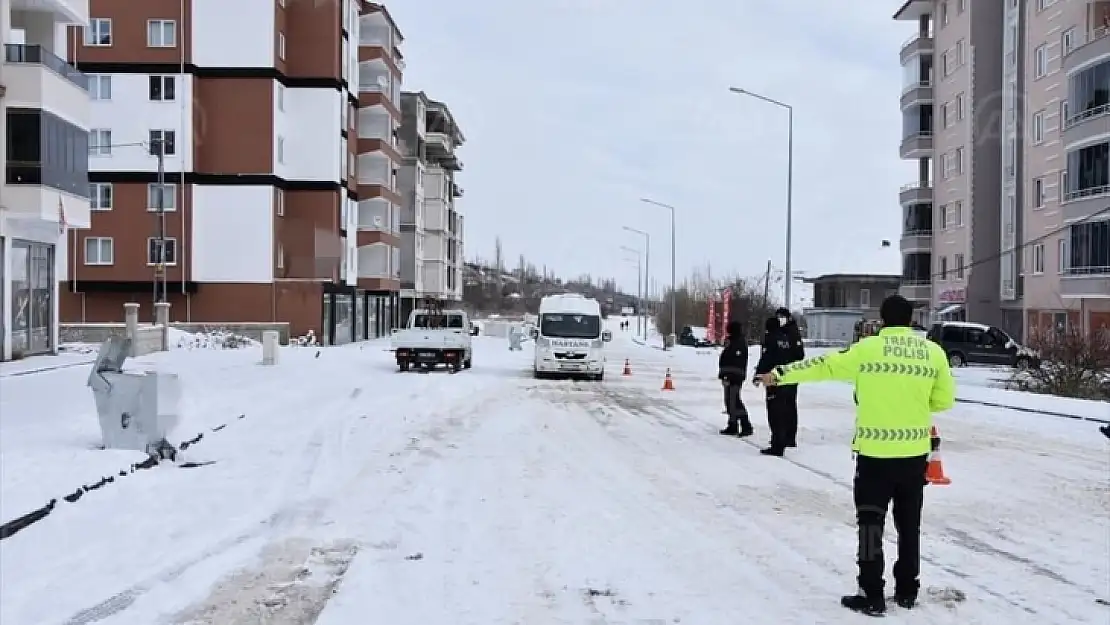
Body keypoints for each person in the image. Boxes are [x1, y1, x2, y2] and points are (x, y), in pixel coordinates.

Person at [755, 295, 956, 616]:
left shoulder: (867, 349)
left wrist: (778, 374)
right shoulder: (933, 353)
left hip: (874, 457)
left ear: (883, 319)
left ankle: (872, 594)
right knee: (909, 526)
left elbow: (822, 366)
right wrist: (912, 404)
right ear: (911, 319)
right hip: (913, 456)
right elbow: (944, 402)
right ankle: (907, 590)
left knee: (870, 526)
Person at [752, 316, 795, 455]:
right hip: (786, 378)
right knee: (784, 411)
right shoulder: (786, 339)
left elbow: (766, 358)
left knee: (774, 412)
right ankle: (782, 440)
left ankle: (777, 444)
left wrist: (758, 375)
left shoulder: (771, 339)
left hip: (773, 379)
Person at [775, 307, 805, 446]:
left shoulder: (792, 332)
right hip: (781, 374)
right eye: (778, 317)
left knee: (789, 405)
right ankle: (783, 434)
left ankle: (790, 436)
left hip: (791, 373)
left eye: (781, 317)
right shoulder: (780, 331)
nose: (779, 319)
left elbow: (800, 354)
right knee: (782, 406)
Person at [717, 321, 753, 436]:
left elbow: (735, 361)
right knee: (729, 401)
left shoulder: (739, 343)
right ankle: (732, 424)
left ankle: (746, 424)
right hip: (729, 375)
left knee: (735, 400)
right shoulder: (732, 341)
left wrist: (728, 375)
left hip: (734, 377)